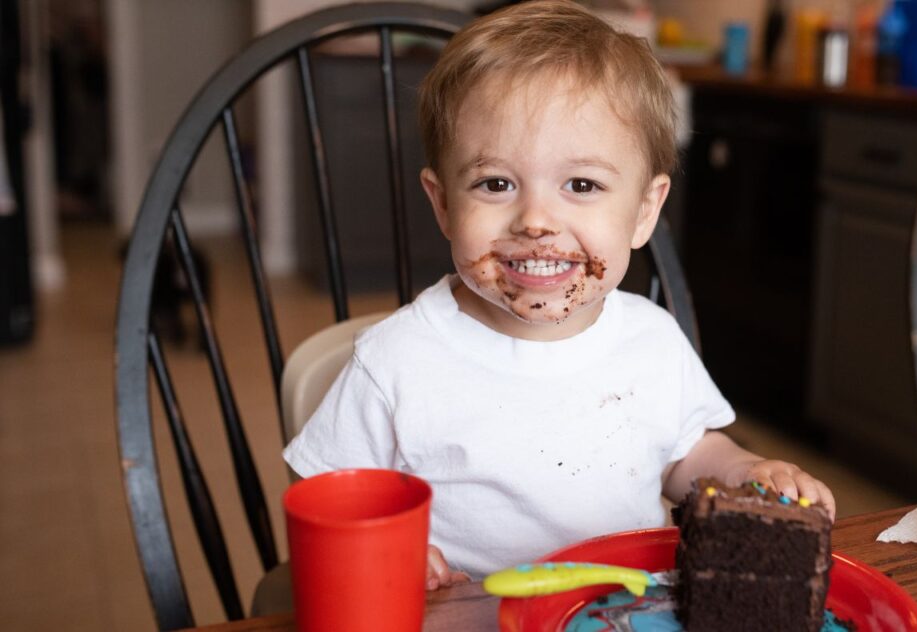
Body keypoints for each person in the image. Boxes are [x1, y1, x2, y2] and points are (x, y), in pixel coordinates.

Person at [283, 0, 836, 591]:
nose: (537, 219)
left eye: (581, 184)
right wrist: (382, 552)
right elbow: (324, 504)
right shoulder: (397, 361)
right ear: (443, 203)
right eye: (496, 183)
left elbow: (685, 457)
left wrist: (745, 471)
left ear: (645, 211)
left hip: (629, 614)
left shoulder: (650, 339)